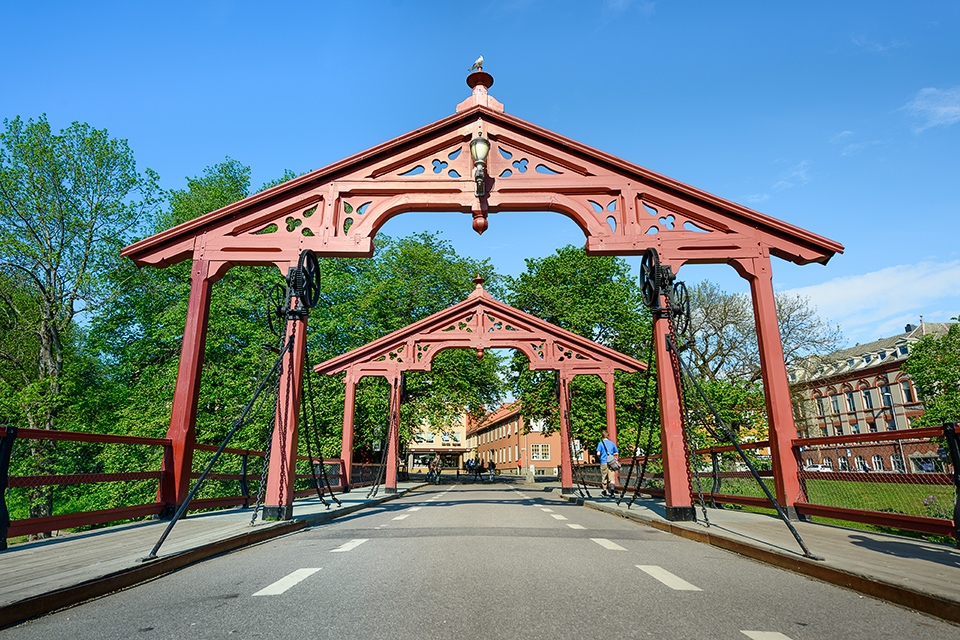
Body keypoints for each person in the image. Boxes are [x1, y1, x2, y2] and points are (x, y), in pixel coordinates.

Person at [597, 428, 619, 497]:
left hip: (603, 462)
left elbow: (598, 453)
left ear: (602, 435)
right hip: (611, 463)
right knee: (612, 477)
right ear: (608, 435)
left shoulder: (600, 443)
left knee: (604, 477)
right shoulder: (612, 443)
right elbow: (616, 452)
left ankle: (604, 491)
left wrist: (600, 458)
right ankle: (612, 492)